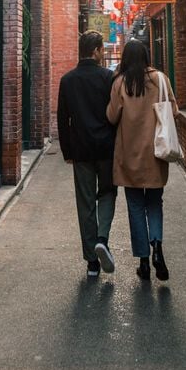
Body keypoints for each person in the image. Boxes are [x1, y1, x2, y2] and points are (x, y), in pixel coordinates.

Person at [107, 39, 178, 282]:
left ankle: (144, 261)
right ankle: (157, 246)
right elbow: (174, 112)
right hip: (156, 154)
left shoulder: (120, 82)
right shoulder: (160, 79)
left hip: (129, 155)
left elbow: (111, 115)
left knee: (135, 207)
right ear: (146, 56)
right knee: (155, 203)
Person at [57, 30, 117, 278]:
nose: (103, 54)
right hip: (106, 148)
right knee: (107, 193)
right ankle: (102, 238)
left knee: (85, 202)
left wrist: (66, 151)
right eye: (102, 49)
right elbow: (116, 114)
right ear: (95, 51)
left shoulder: (68, 80)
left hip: (80, 149)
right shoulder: (107, 77)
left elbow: (62, 118)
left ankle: (92, 262)